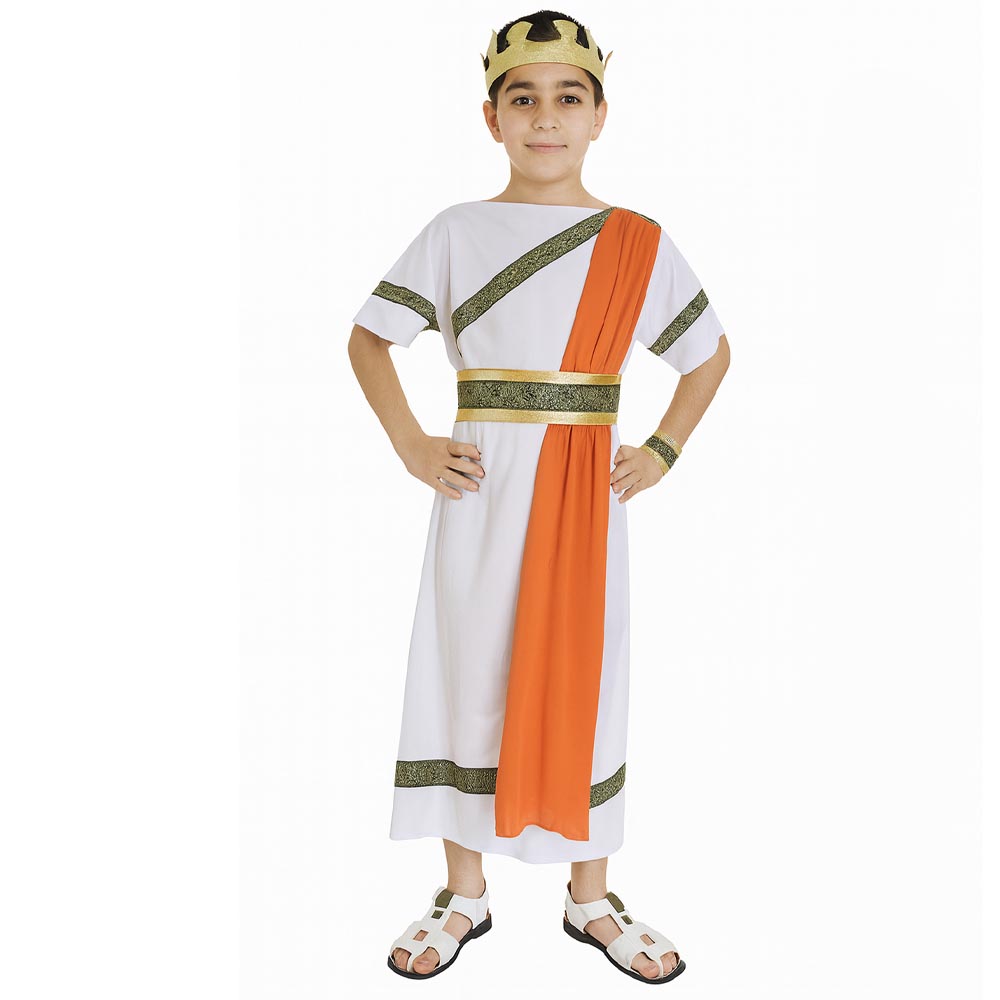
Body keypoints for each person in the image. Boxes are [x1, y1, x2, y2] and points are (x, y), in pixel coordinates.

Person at [347, 9, 731, 984]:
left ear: (600, 116)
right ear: (492, 118)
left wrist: (662, 450)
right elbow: (369, 338)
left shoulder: (636, 240)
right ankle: (463, 892)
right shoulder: (455, 230)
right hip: (478, 492)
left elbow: (709, 354)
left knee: (586, 676)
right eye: (523, 99)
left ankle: (589, 895)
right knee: (467, 670)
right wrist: (410, 443)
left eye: (568, 98)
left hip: (583, 497)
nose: (546, 118)